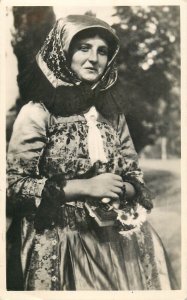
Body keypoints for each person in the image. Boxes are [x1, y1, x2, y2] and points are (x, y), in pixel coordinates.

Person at [7, 14, 177, 290]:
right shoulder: (38, 112)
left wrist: (121, 190)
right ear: (62, 52)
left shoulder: (112, 115)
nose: (93, 59)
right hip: (60, 243)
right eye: (83, 47)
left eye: (102, 51)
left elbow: (135, 177)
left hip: (119, 245)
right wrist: (86, 186)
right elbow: (13, 188)